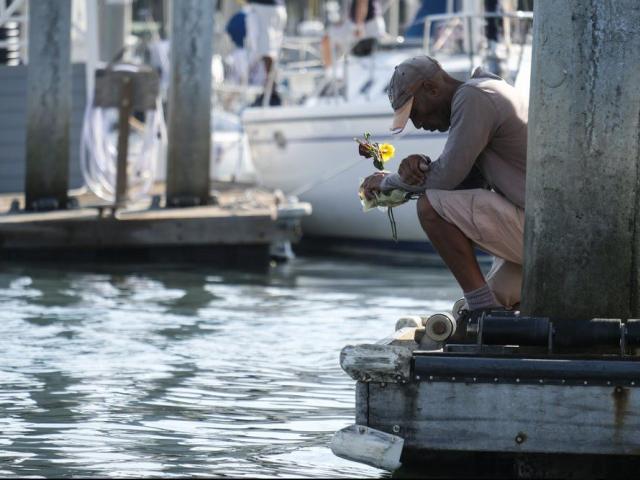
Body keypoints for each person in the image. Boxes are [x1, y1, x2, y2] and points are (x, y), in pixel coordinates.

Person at [361, 55, 528, 314]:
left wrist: (388, 183)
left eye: (415, 112)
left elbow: (445, 179)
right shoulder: (488, 89)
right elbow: (462, 182)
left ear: (432, 88)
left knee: (431, 208)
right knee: (489, 300)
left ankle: (482, 313)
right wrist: (421, 168)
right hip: (542, 230)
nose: (417, 124)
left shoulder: (473, 97)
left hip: (540, 234)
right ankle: (487, 311)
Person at [245, 0, 287, 106]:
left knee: (267, 52)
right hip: (278, 8)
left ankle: (271, 93)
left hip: (265, 8)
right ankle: (270, 90)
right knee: (271, 52)